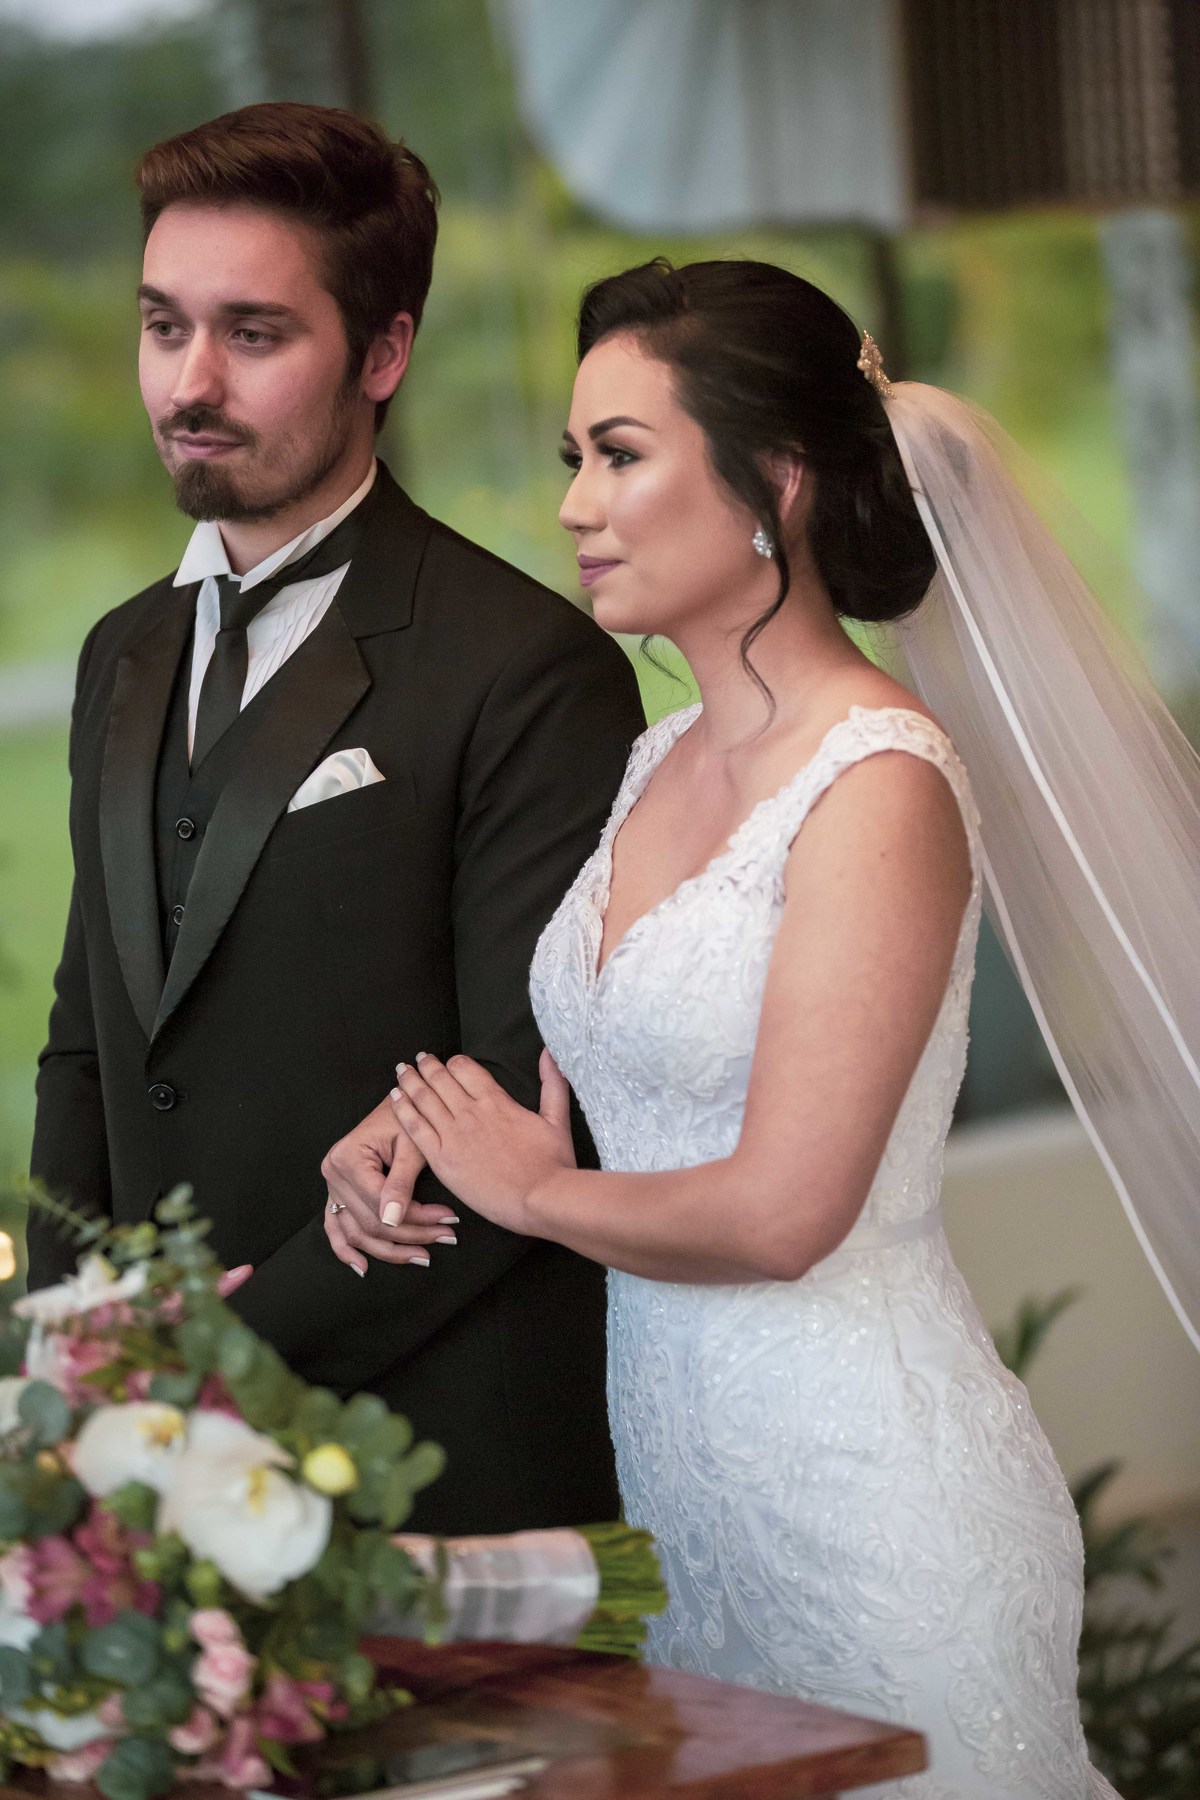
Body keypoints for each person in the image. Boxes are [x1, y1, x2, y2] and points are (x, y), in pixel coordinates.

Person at [348, 258, 1200, 1795]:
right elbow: (637, 1075)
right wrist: (424, 1125)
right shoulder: (655, 754)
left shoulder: (878, 782)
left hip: (878, 1505)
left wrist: (528, 1190)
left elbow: (789, 1207)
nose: (573, 508)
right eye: (572, 461)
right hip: (686, 1505)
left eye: (620, 455)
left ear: (778, 482)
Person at [26, 103, 646, 1536]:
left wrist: (225, 1361)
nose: (190, 381)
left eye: (254, 334)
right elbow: (91, 1030)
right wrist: (83, 1353)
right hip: (150, 1450)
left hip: (435, 1450)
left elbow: (522, 1089)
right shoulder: (121, 650)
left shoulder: (525, 667)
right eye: (163, 325)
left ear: (383, 353)